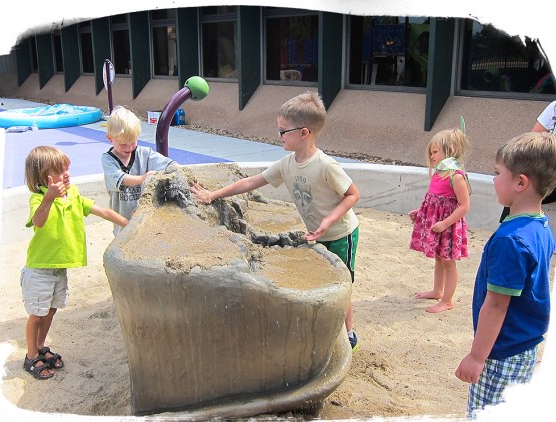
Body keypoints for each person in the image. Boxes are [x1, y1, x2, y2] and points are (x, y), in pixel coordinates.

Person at [190, 91, 362, 351]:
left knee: (341, 283)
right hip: (317, 233)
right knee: (322, 277)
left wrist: (328, 220)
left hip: (341, 233)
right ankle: (329, 329)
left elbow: (352, 194)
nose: (279, 135)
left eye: (283, 131)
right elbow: (251, 182)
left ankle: (348, 335)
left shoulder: (326, 165)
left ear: (304, 132)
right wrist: (213, 194)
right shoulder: (287, 164)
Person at [455, 132, 556, 418]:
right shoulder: (541, 226)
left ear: (520, 182)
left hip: (501, 351)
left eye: (497, 173)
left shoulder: (511, 240)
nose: (492, 179)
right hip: (524, 345)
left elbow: (496, 303)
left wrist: (477, 357)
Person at [22, 146, 129, 380]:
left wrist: (130, 224)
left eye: (67, 169)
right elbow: (38, 222)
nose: (67, 174)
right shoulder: (38, 199)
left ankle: (40, 346)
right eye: (60, 171)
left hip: (59, 269)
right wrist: (49, 198)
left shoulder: (73, 195)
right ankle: (31, 357)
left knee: (50, 310)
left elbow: (102, 211)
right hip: (39, 269)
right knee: (36, 315)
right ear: (43, 177)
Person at [409, 128, 471, 313]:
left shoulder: (456, 176)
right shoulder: (438, 173)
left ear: (449, 150)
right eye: (431, 153)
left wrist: (445, 223)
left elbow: (464, 206)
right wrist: (420, 213)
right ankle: (438, 290)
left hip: (448, 226)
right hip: (436, 224)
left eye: (435, 152)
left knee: (448, 261)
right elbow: (433, 200)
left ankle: (447, 300)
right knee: (438, 258)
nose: (432, 156)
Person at [101, 105, 178, 235]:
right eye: (123, 144)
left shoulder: (144, 153)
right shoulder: (108, 160)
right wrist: (142, 178)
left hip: (145, 215)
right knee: (124, 243)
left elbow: (168, 164)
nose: (129, 147)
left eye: (133, 142)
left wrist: (180, 169)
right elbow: (120, 178)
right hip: (122, 218)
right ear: (110, 138)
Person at [499, 93, 556, 222]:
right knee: (517, 180)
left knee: (524, 186)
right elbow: (533, 142)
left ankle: (513, 229)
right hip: (545, 169)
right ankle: (506, 226)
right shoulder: (555, 108)